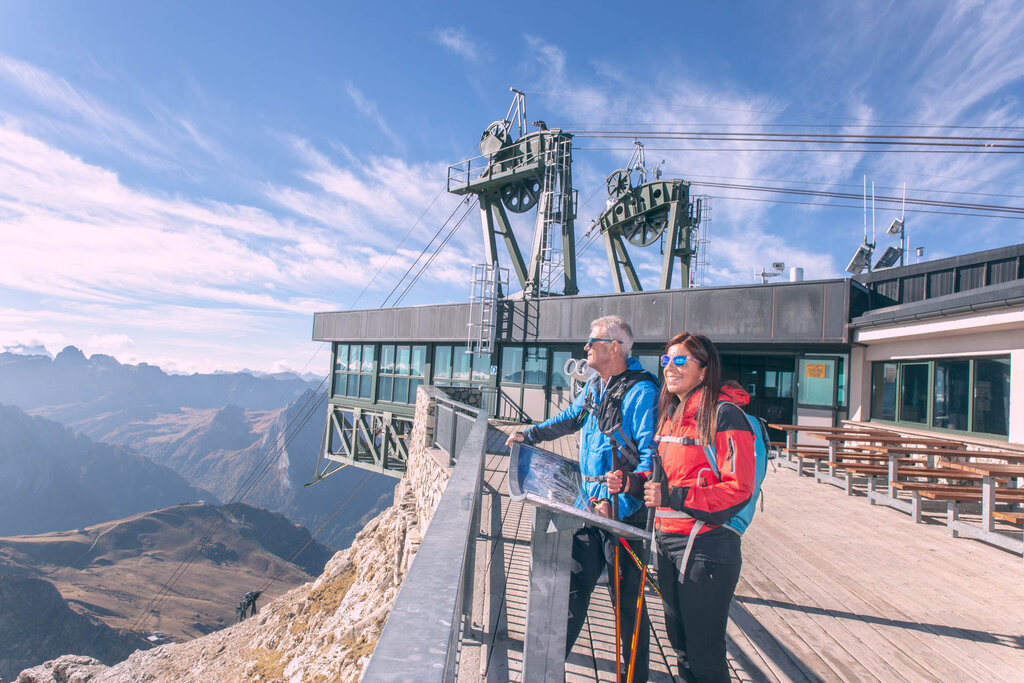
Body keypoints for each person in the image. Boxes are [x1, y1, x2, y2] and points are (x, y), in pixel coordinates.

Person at [506, 315, 658, 680]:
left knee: (628, 607)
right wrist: (530, 436)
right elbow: (570, 418)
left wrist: (618, 506)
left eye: (593, 341)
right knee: (573, 589)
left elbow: (650, 460)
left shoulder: (642, 393)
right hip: (590, 509)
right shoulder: (594, 386)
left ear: (614, 348)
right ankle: (545, 673)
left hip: (624, 516)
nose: (586, 347)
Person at [643, 332, 756, 683]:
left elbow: (738, 489)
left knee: (705, 654)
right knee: (681, 647)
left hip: (708, 548)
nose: (669, 367)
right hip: (667, 543)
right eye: (666, 360)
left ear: (705, 370)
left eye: (680, 360)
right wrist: (631, 482)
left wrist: (673, 497)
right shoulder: (671, 414)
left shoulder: (725, 415)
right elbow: (663, 475)